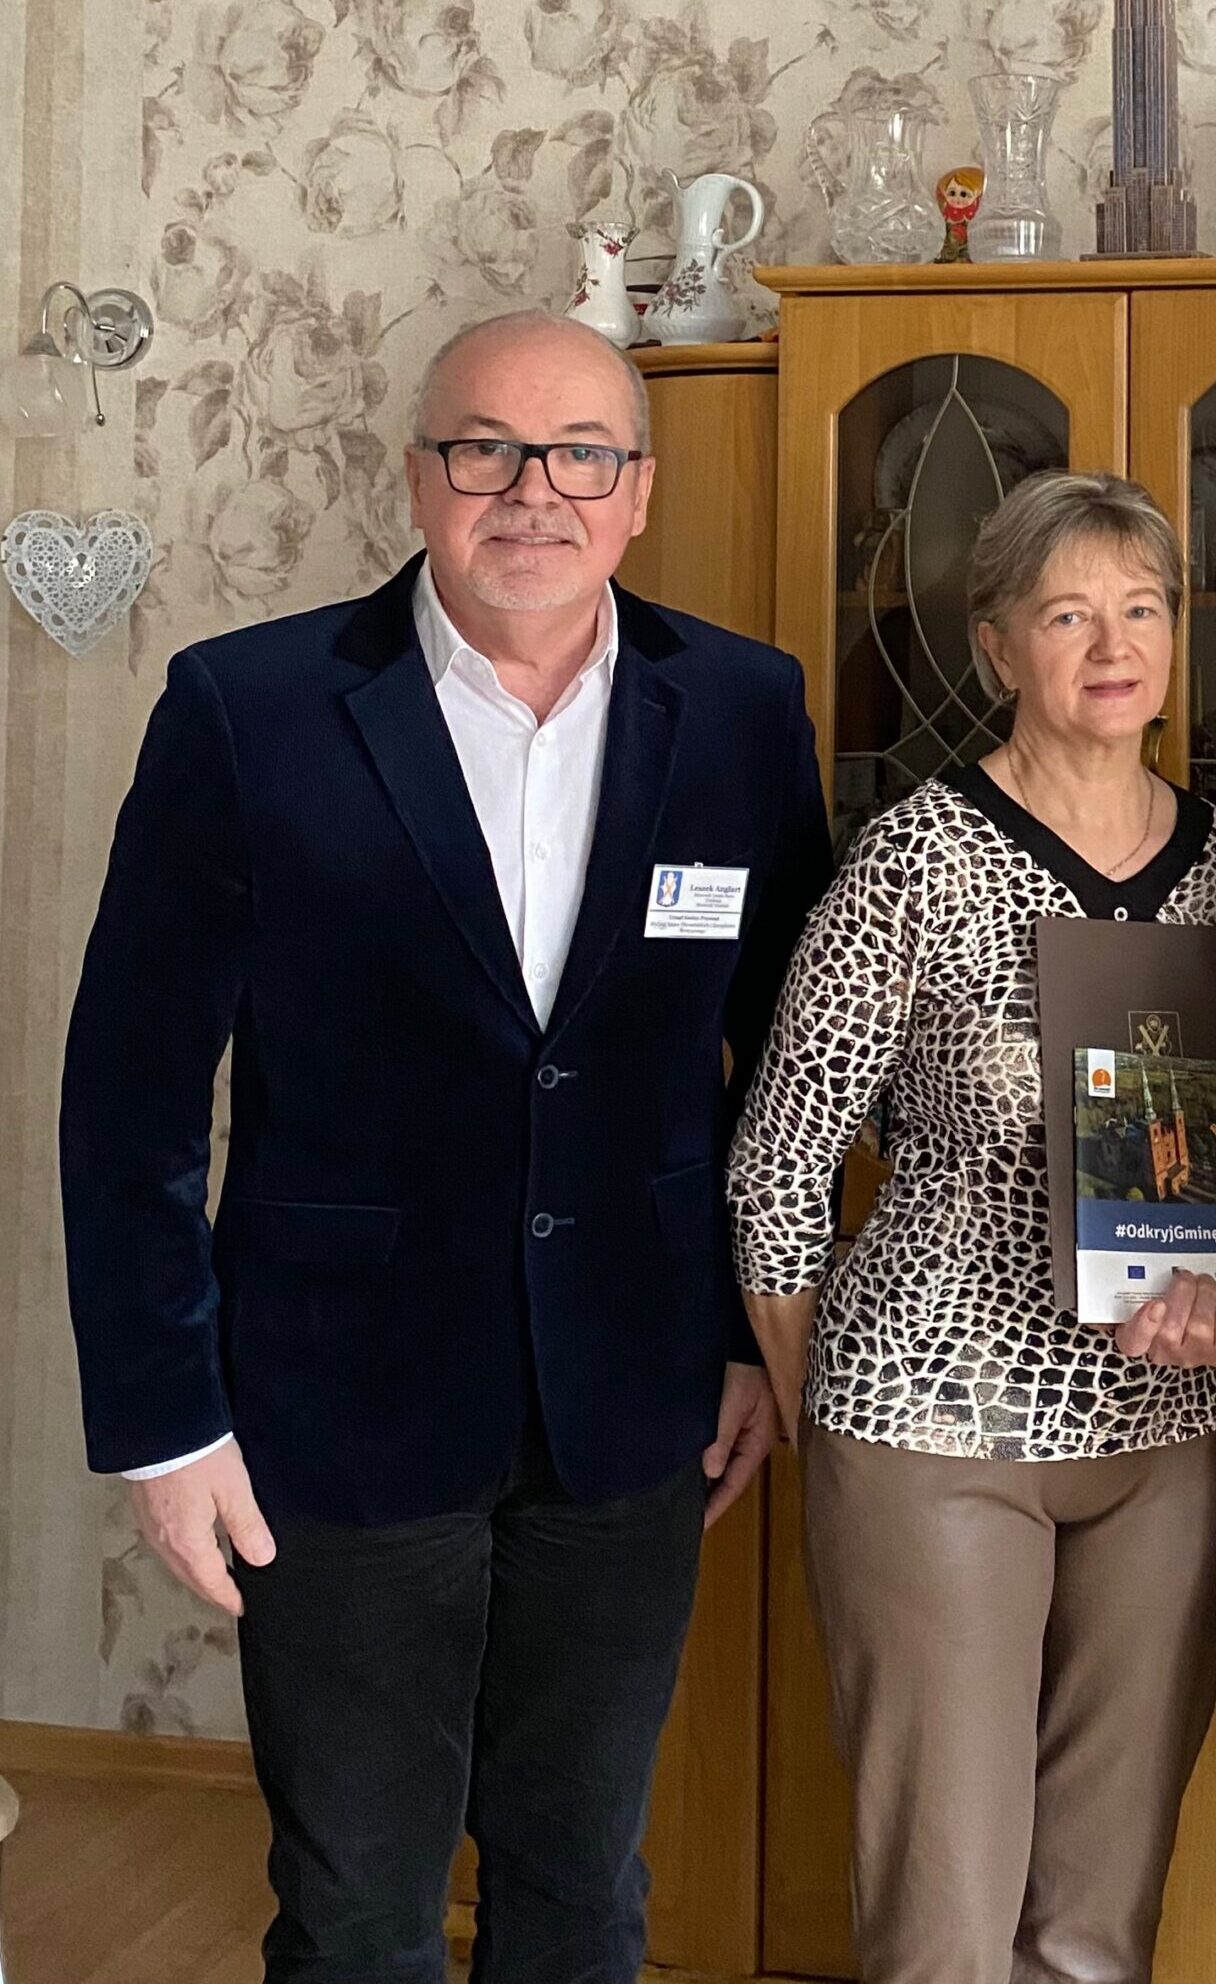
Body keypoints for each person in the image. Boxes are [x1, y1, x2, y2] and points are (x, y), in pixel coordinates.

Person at [57, 310, 834, 1983]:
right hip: (333, 1407)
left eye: (580, 457)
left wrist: (749, 1338)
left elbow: (787, 1075)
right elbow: (128, 1095)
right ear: (420, 477)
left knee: (579, 1883)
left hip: (634, 1407)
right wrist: (162, 1424)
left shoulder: (746, 712)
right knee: (359, 1907)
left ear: (639, 493)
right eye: (484, 448)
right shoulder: (248, 709)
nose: (530, 492)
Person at [727, 471, 1216, 1984]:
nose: (1113, 643)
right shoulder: (914, 859)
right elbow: (778, 1170)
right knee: (945, 1921)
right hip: (938, 1434)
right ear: (996, 646)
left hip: (1172, 1433)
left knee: (1098, 1919)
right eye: (1068, 612)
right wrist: (835, 1403)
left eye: (1141, 609)